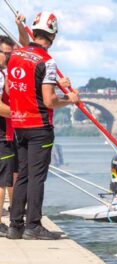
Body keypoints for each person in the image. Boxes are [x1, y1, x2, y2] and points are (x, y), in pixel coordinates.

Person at [6, 11, 80, 240]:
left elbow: (10, 90)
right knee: (37, 177)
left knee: (23, 176)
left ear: (35, 31)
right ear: (53, 37)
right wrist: (70, 100)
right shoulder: (48, 62)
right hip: (40, 126)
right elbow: (49, 100)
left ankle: (15, 226)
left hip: (19, 124)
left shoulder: (16, 55)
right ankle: (34, 225)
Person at [0, 35, 16, 236]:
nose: (9, 57)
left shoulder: (4, 73)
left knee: (11, 176)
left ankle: (15, 216)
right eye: (6, 54)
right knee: (3, 179)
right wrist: (22, 114)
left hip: (8, 131)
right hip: (2, 133)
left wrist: (21, 27)